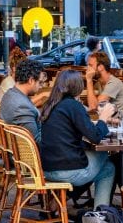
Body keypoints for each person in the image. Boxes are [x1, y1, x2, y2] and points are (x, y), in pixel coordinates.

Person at [38, 70, 116, 209]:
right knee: (107, 157)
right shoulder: (73, 105)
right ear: (78, 86)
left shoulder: (50, 105)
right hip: (68, 170)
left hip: (46, 168)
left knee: (107, 168)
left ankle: (95, 211)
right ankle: (100, 215)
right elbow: (96, 137)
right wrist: (103, 118)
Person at [0, 59, 44, 144]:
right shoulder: (22, 107)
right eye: (40, 82)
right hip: (30, 155)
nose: (41, 86)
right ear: (31, 80)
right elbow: (36, 143)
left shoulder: (9, 93)